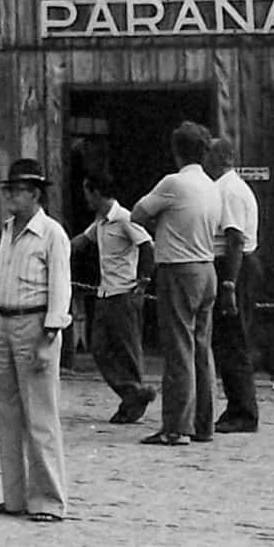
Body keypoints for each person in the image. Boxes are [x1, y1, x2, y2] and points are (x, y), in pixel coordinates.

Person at [0, 157, 71, 521]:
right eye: (9, 189)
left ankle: (48, 500)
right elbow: (5, 277)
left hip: (35, 324)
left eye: (17, 190)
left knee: (40, 415)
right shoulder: (7, 230)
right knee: (7, 412)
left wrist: (50, 333)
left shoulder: (51, 234)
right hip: (5, 319)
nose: (10, 196)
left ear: (35, 194)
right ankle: (15, 497)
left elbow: (60, 288)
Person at [131, 121, 221, 446]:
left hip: (179, 268)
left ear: (176, 151)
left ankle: (176, 427)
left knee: (178, 349)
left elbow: (137, 214)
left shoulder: (174, 182)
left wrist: (163, 222)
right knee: (201, 348)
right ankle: (203, 423)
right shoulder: (212, 185)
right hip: (207, 267)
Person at [70, 165, 155, 423]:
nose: (85, 198)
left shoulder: (125, 219)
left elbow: (147, 245)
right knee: (99, 348)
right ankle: (134, 393)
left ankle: (134, 399)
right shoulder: (101, 222)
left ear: (96, 193)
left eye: (87, 192)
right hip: (105, 294)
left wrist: (144, 279)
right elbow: (79, 243)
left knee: (126, 349)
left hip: (124, 294)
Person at [206, 136, 261, 434]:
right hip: (230, 267)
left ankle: (243, 411)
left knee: (233, 342)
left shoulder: (230, 191)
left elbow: (235, 240)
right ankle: (237, 406)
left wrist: (229, 284)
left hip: (233, 268)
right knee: (227, 342)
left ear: (218, 159)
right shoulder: (226, 188)